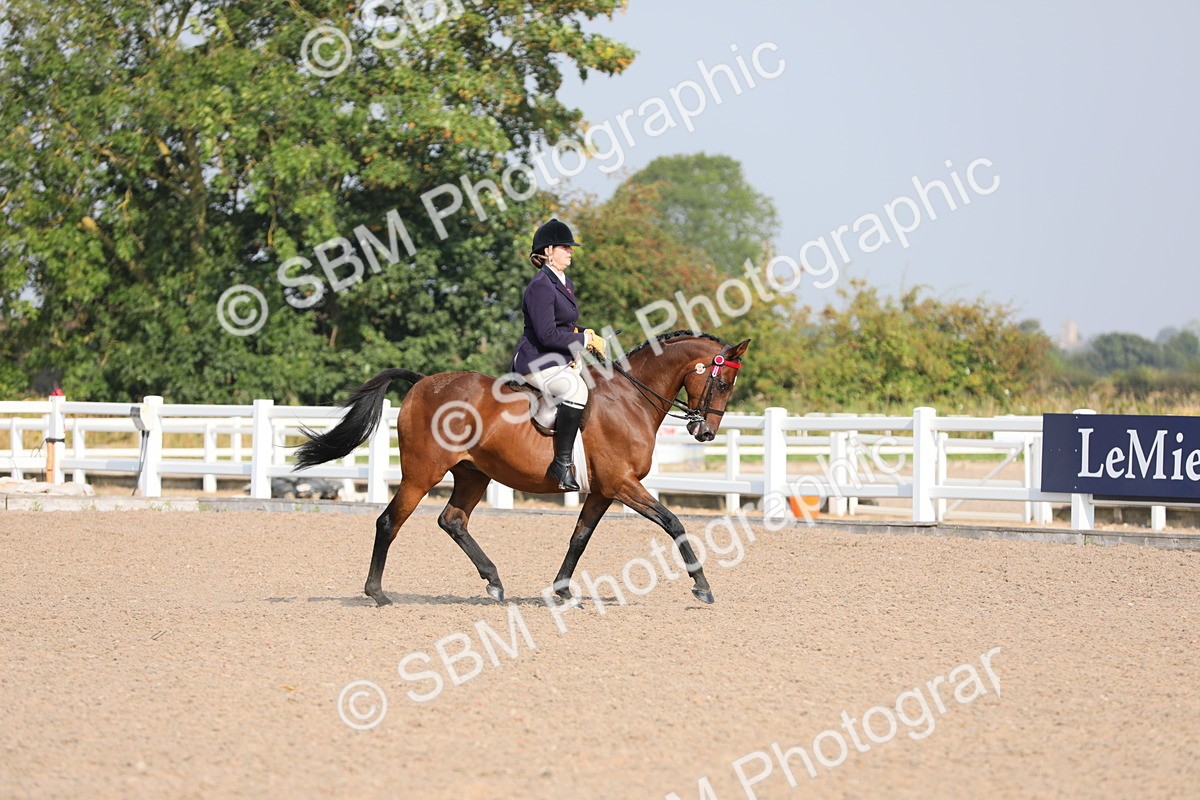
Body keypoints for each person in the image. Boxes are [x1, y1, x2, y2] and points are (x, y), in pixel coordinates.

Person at [510, 218, 606, 491]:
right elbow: (546, 335)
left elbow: (564, 325)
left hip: (556, 358)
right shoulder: (541, 285)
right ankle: (561, 464)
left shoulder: (565, 283)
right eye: (565, 247)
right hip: (535, 358)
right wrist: (582, 339)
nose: (571, 251)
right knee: (576, 391)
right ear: (548, 250)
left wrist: (586, 333)